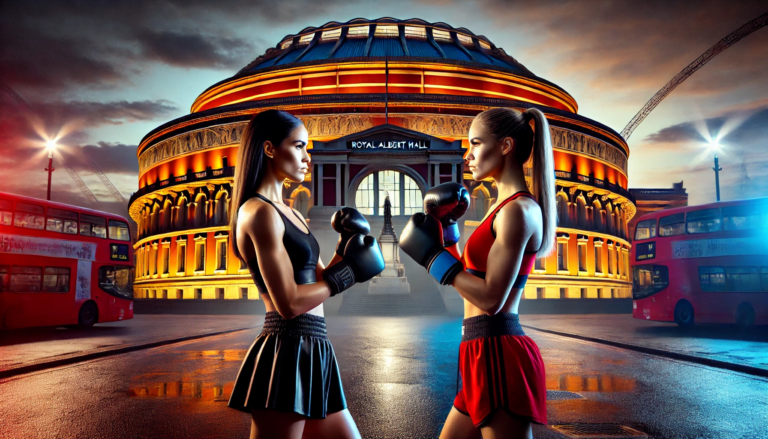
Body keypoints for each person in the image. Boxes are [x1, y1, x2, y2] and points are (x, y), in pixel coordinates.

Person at [227, 109, 385, 439]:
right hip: (285, 348)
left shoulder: (289, 212)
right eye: (299, 146)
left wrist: (345, 247)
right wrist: (349, 273)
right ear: (270, 149)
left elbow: (316, 279)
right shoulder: (257, 212)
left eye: (308, 149)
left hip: (316, 346)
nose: (306, 158)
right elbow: (288, 302)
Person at [400, 107, 556, 439]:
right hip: (477, 349)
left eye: (476, 143)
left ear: (505, 146)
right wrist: (448, 231)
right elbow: (472, 282)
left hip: (498, 352)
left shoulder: (519, 210)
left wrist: (432, 257)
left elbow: (491, 299)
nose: (468, 156)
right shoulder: (502, 209)